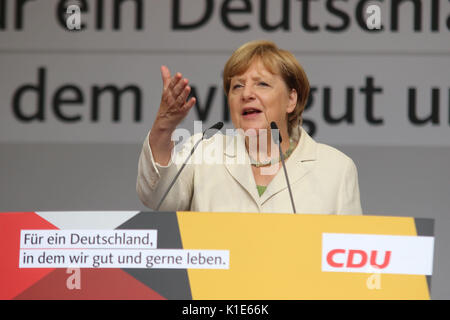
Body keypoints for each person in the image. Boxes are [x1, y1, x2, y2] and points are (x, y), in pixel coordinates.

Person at [136, 40, 362, 215]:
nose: (246, 94)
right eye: (237, 86)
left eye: (262, 84)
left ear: (291, 100)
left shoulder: (336, 169)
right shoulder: (203, 152)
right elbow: (157, 198)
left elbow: (348, 259)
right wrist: (164, 127)